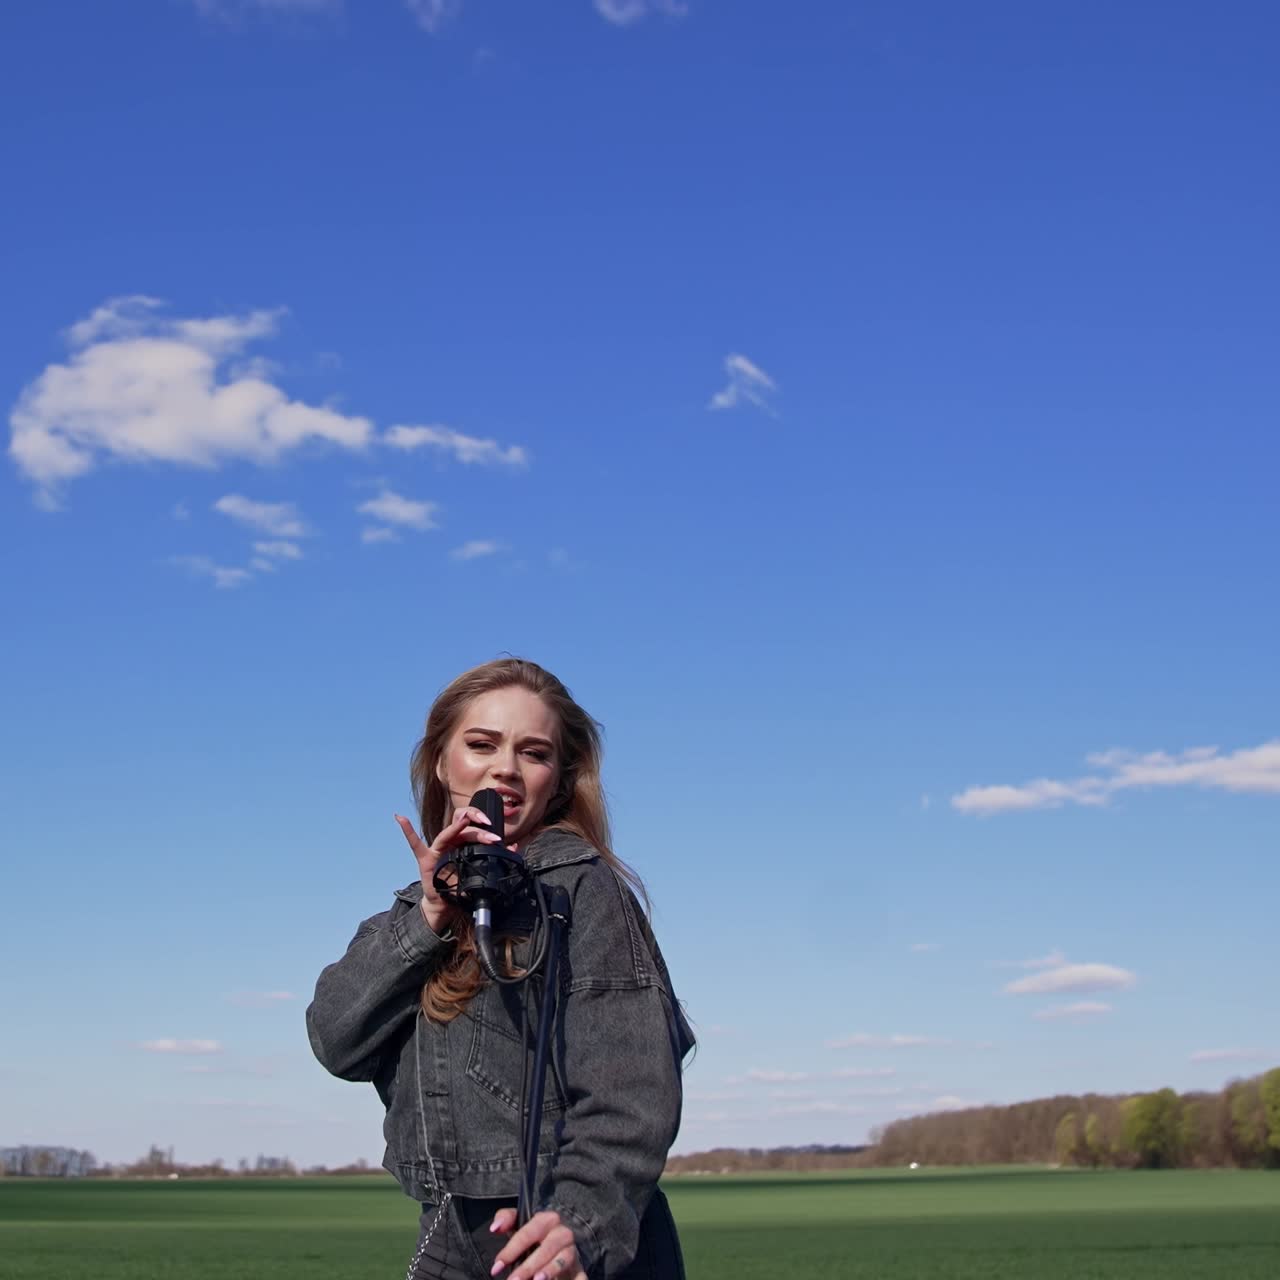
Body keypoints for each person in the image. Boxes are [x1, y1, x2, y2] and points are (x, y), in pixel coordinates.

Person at [307, 658, 694, 1280]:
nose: (504, 770)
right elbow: (336, 1040)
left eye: (534, 753)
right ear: (441, 761)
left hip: (554, 1237)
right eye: (481, 744)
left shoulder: (579, 890)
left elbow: (632, 1090)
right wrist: (431, 915)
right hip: (447, 1230)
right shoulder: (417, 907)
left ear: (559, 780)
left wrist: (582, 1226)